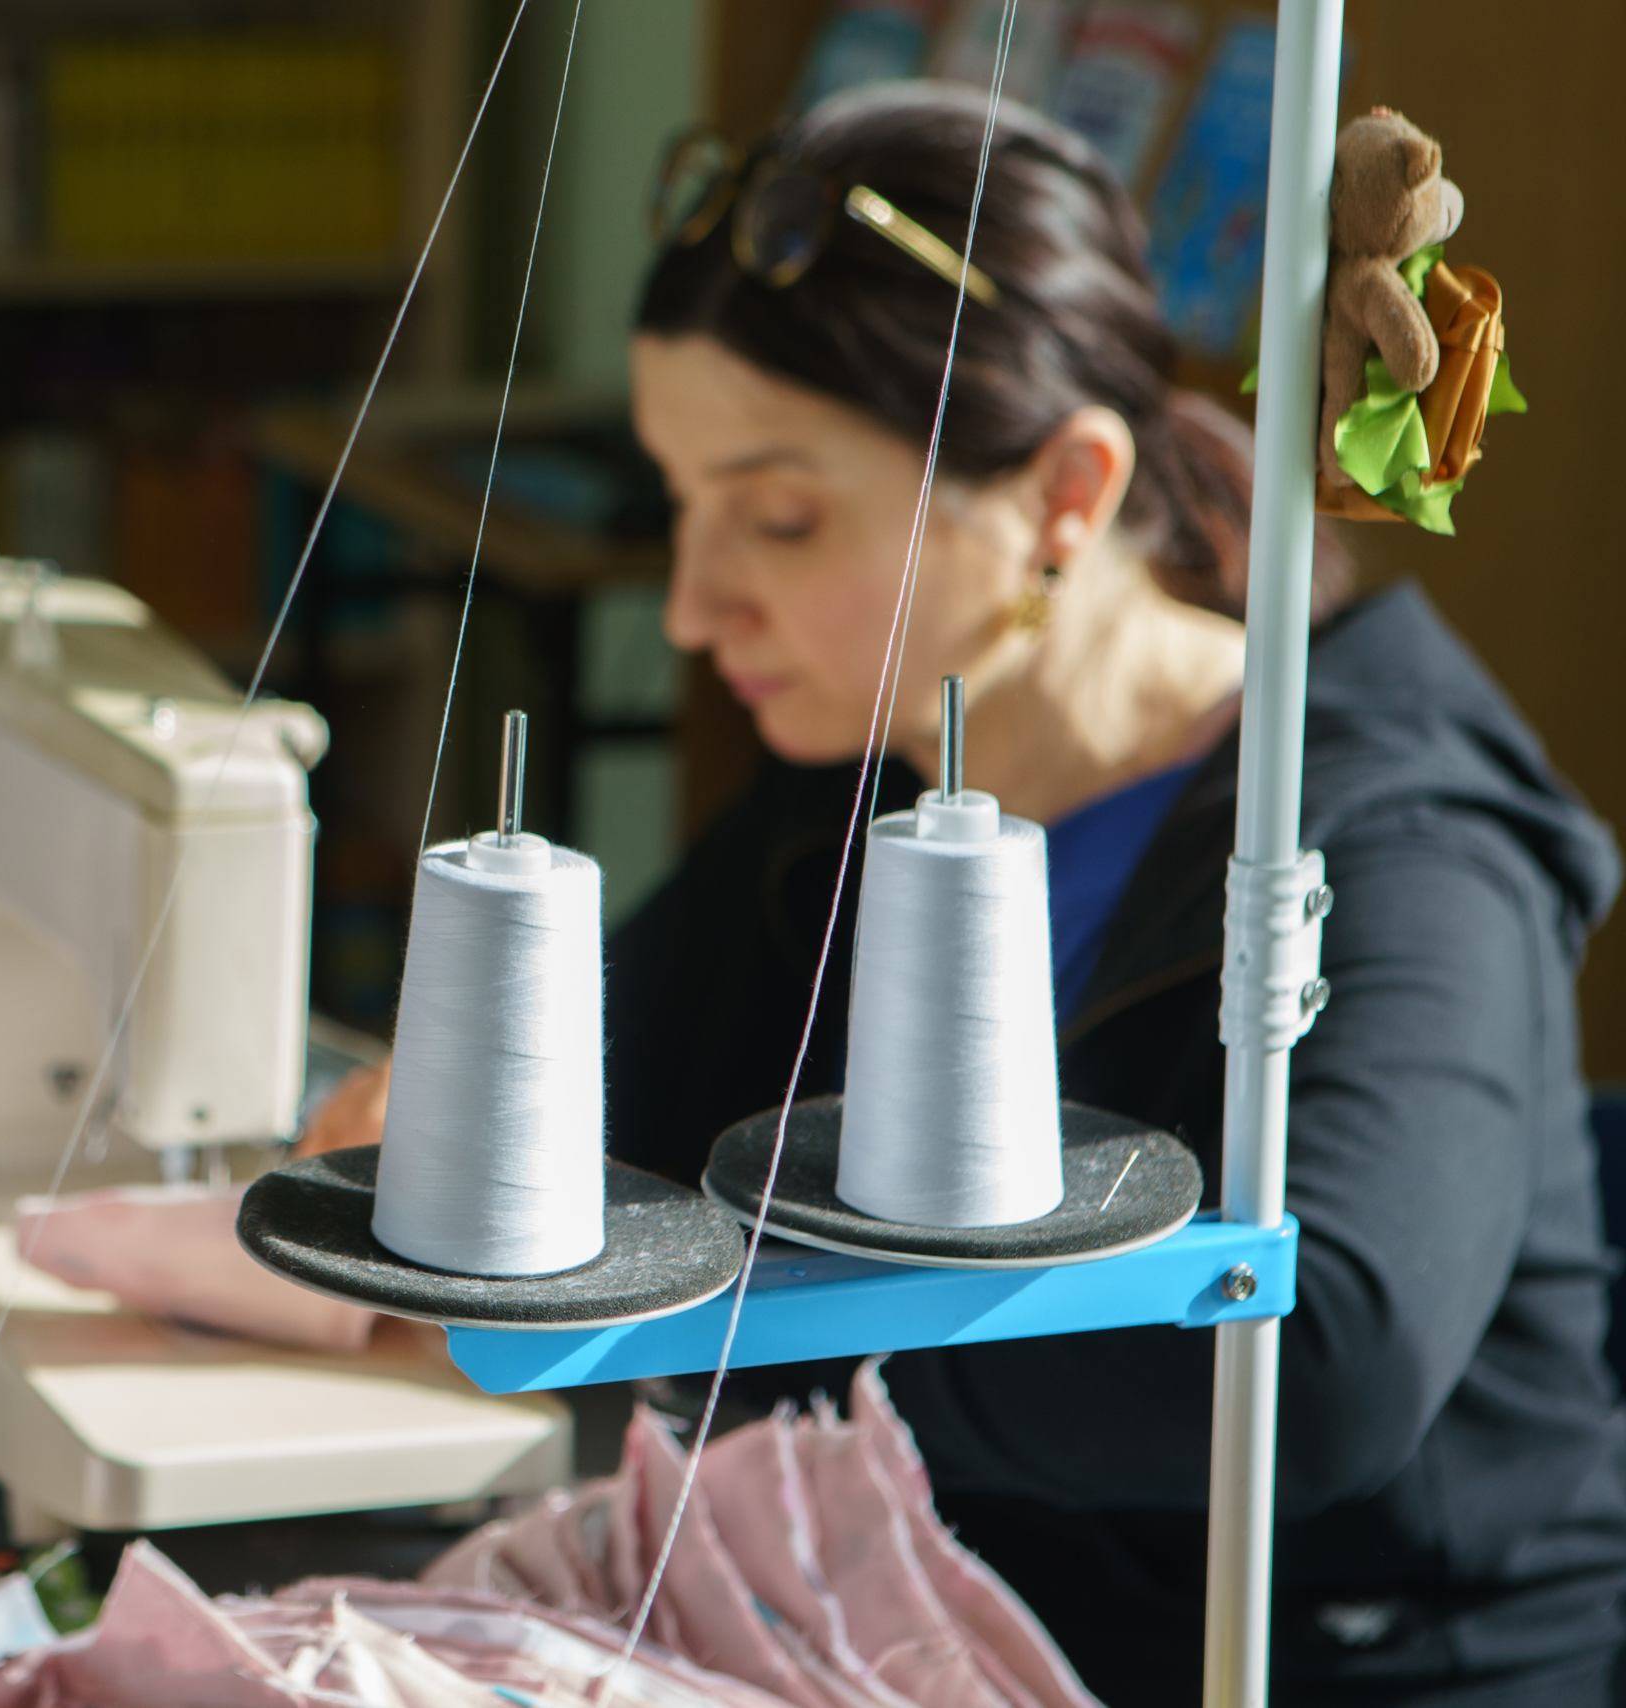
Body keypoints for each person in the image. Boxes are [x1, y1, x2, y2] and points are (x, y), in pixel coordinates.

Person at [302, 84, 1626, 1705]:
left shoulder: (1405, 841)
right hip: (957, 1622)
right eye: (679, 505)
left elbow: (1331, 1359)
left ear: (1067, 496)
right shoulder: (868, 784)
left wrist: (782, 1342)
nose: (698, 606)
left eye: (780, 517)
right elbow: (620, 1110)